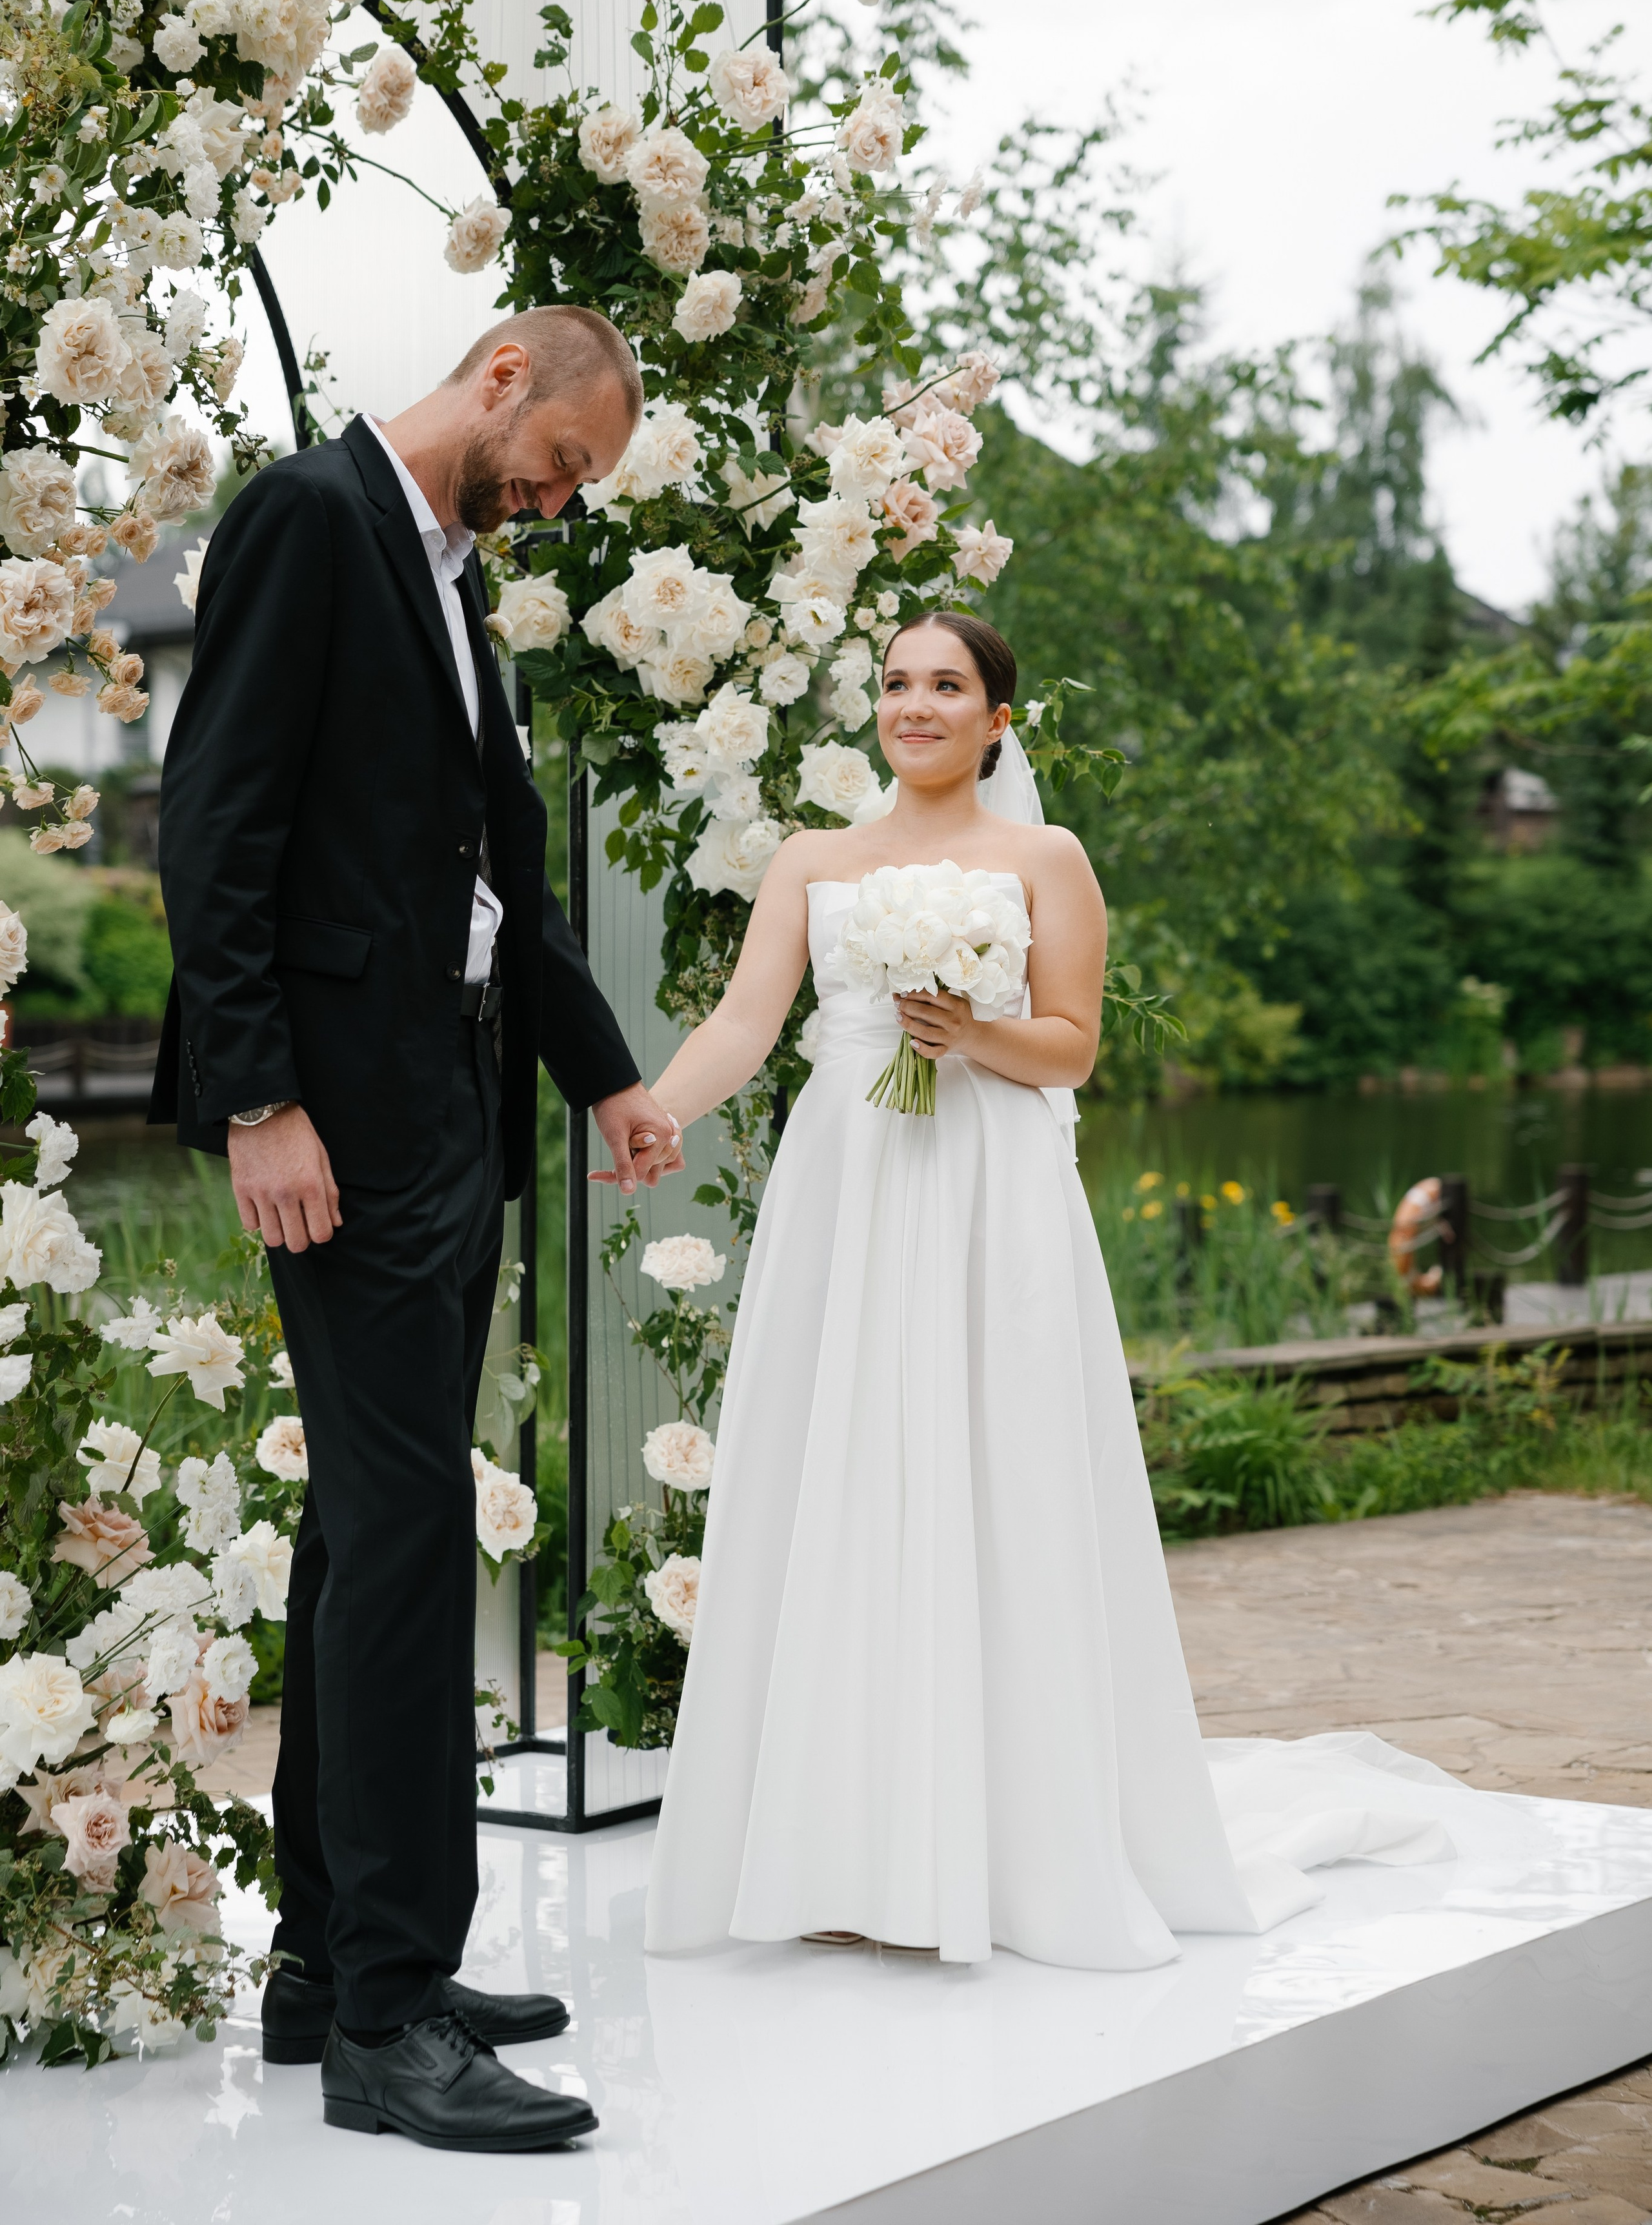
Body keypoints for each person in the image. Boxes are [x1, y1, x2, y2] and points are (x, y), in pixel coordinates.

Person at [642, 611, 1481, 1966]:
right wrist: (651, 1120)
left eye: (947, 686)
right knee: (843, 1477)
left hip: (986, 1184)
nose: (915, 705)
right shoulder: (812, 859)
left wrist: (968, 1031)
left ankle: (1011, 1847)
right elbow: (746, 1023)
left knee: (995, 1472)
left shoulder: (1045, 858)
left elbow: (1072, 1048)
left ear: (996, 720)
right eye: (898, 684)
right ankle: (838, 1850)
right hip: (847, 1181)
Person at [153, 307, 681, 2151]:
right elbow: (213, 822)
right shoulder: (312, 515)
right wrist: (256, 1098)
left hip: (456, 1105)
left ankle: (326, 1967)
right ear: (507, 372)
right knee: (404, 1535)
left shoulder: (453, 575)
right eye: (565, 465)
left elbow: (496, 861)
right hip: (342, 1119)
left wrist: (602, 1072)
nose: (558, 503)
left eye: (582, 495)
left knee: (366, 1533)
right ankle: (392, 2018)